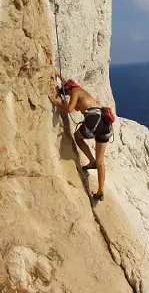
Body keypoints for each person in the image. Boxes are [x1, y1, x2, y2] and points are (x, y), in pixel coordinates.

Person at [49, 69, 113, 201]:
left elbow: (69, 109)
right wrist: (57, 73)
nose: (66, 95)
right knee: (101, 160)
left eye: (65, 93)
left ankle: (91, 161)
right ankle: (100, 191)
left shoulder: (75, 92)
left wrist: (55, 102)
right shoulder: (82, 92)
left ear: (68, 89)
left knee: (78, 137)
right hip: (106, 123)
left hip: (94, 120)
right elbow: (67, 82)